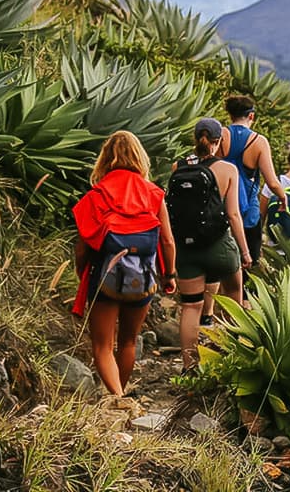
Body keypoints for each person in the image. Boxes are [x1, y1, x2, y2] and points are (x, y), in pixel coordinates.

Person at [72, 131, 176, 397]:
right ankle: (120, 393)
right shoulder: (154, 193)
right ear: (140, 157)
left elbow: (83, 245)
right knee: (128, 341)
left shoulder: (97, 194)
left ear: (105, 159)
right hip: (143, 278)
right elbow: (167, 242)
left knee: (102, 346)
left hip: (104, 279)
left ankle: (117, 397)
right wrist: (169, 275)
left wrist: (81, 271)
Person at [169, 118, 250, 369]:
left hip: (187, 249)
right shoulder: (228, 170)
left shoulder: (178, 167)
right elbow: (234, 214)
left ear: (195, 139)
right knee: (233, 296)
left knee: (191, 307)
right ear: (219, 142)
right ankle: (229, 356)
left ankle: (189, 366)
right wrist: (245, 252)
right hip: (219, 247)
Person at [219, 95, 286, 296]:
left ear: (230, 114)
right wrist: (283, 198)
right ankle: (243, 308)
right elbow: (272, 181)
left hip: (221, 211)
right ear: (251, 116)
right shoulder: (258, 141)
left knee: (224, 264)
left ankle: (221, 309)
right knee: (249, 264)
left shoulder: (220, 136)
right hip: (248, 213)